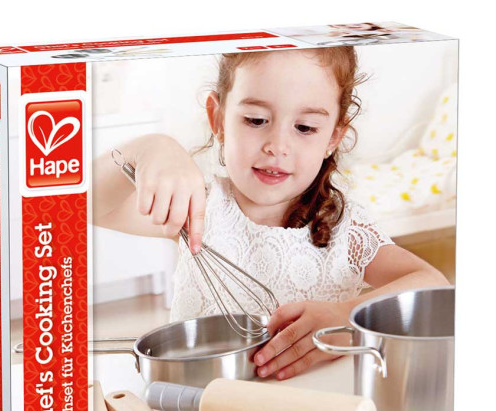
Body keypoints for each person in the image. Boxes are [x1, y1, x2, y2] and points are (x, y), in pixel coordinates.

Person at [93, 47, 448, 380]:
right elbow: (83, 203)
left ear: (333, 138)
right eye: (256, 119)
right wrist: (148, 149)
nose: (277, 146)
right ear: (218, 119)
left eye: (305, 128)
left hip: (314, 409)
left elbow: (433, 285)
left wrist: (347, 318)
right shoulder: (198, 209)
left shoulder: (346, 230)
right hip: (203, 403)